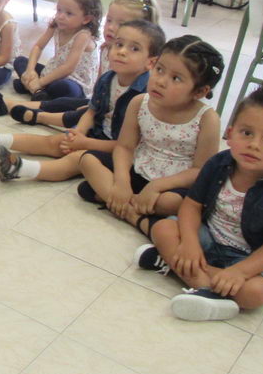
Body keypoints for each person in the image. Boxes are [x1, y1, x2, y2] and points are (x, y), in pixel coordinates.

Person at [135, 85, 263, 321]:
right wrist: (189, 244)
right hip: (208, 237)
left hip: (250, 258)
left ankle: (178, 268)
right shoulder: (219, 163)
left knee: (254, 293)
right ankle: (211, 290)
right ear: (230, 132)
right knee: (163, 228)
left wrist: (239, 272)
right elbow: (191, 206)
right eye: (246, 133)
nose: (255, 144)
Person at [0, 20, 164, 182]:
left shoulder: (146, 96)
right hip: (98, 134)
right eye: (119, 44)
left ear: (151, 63)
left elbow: (127, 146)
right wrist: (78, 133)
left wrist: (84, 143)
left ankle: (19, 169)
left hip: (123, 153)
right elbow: (91, 111)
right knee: (56, 141)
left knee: (76, 158)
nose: (122, 52)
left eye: (134, 49)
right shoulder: (108, 79)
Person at [79, 35, 224, 233]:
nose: (160, 81)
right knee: (88, 160)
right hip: (140, 167)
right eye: (159, 70)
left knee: (173, 202)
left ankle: (123, 207)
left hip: (173, 182)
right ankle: (134, 207)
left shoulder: (207, 119)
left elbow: (200, 170)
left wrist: (156, 187)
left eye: (176, 78)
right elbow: (124, 147)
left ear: (199, 91)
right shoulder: (139, 102)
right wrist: (122, 182)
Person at [11, 0, 159, 125]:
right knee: (66, 103)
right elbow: (102, 84)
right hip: (102, 105)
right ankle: (18, 104)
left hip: (118, 117)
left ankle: (35, 112)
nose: (111, 27)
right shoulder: (106, 49)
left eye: (121, 24)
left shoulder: (141, 63)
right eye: (109, 20)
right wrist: (31, 71)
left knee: (71, 105)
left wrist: (93, 109)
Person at [11, 0, 101, 105]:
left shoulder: (83, 36)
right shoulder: (56, 24)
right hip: (54, 72)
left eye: (69, 13)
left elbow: (68, 68)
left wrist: (40, 82)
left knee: (65, 88)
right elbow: (38, 46)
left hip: (74, 82)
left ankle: (33, 87)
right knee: (20, 61)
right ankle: (38, 91)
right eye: (59, 10)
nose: (61, 16)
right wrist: (30, 70)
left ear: (86, 19)